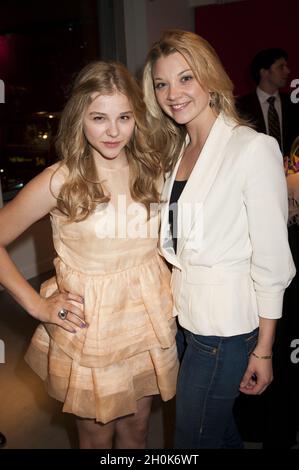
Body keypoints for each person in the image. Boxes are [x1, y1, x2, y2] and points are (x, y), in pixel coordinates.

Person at [0, 61, 178, 449]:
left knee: (139, 430)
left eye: (124, 117)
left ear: (137, 118)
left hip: (145, 322)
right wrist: (36, 306)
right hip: (91, 330)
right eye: (99, 118)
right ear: (81, 117)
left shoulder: (152, 167)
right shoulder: (59, 180)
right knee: (96, 437)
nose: (113, 131)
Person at [142, 29, 295, 449]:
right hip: (185, 319)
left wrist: (264, 350)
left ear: (210, 77)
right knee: (217, 431)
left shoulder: (252, 149)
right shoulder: (177, 152)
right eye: (161, 83)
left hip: (226, 330)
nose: (173, 93)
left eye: (185, 78)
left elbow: (272, 261)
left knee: (191, 439)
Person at [236, 48, 299, 156]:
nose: (287, 71)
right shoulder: (241, 107)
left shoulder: (293, 105)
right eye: (280, 67)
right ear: (264, 72)